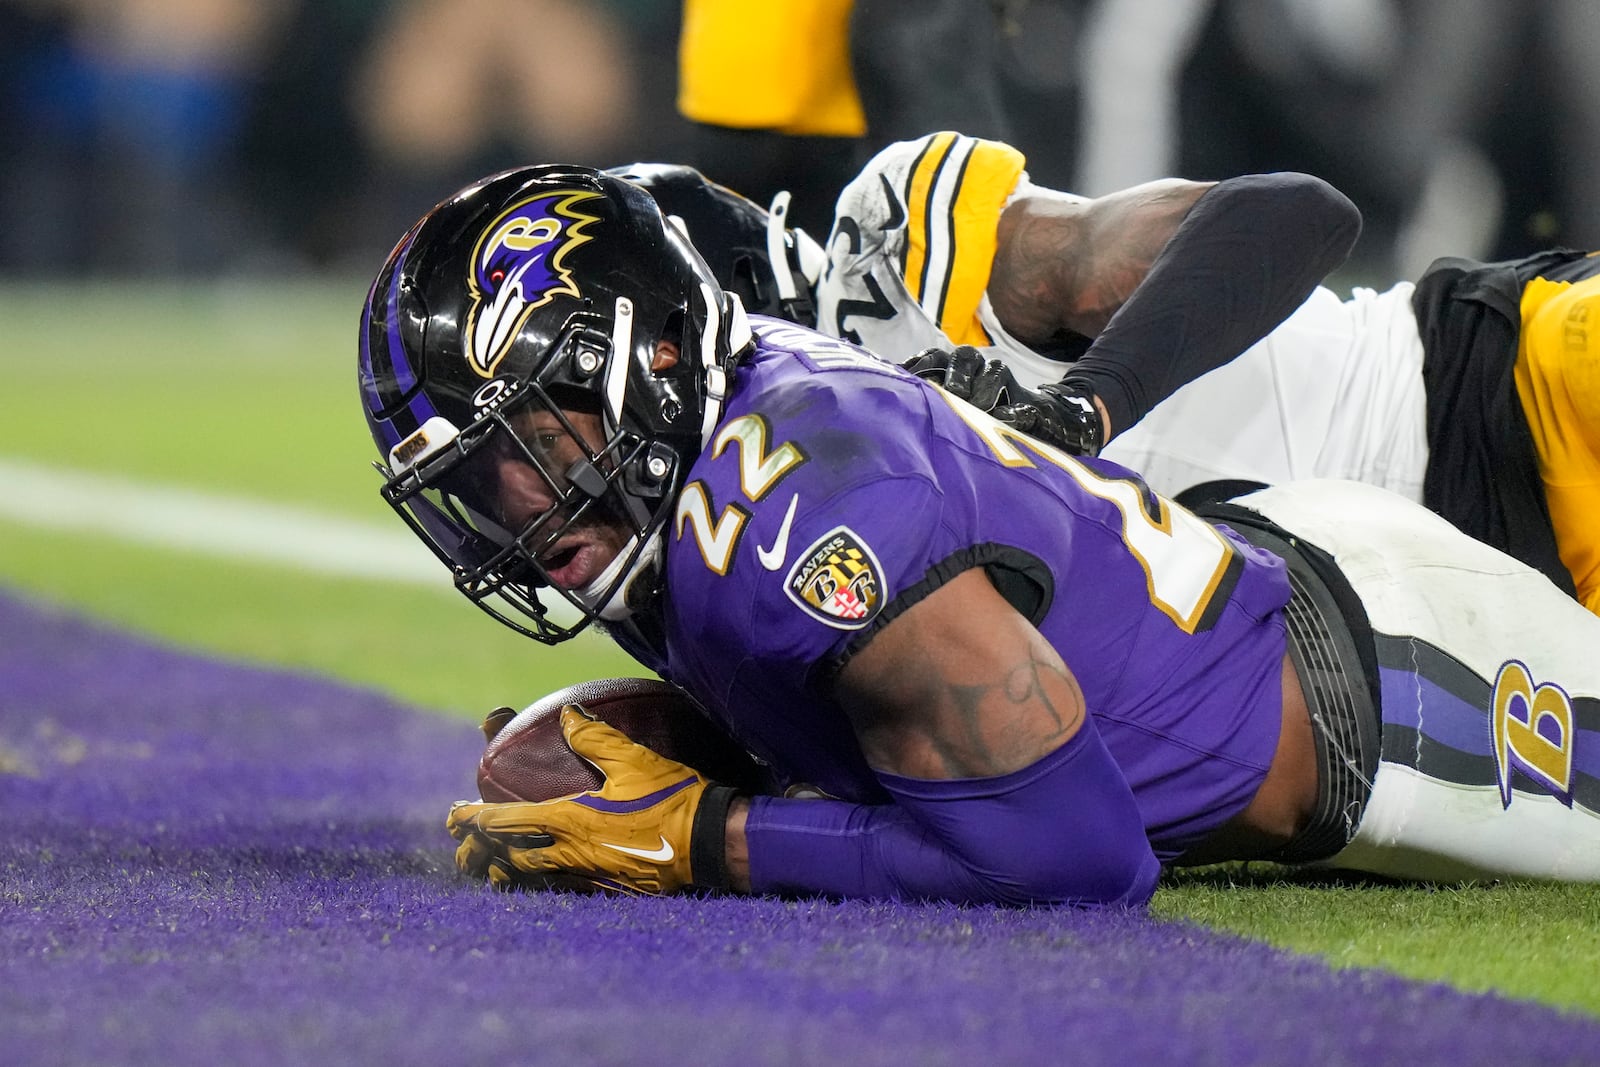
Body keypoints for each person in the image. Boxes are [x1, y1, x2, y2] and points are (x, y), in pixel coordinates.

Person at [359, 165, 1600, 905]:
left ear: (664, 348)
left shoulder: (804, 472)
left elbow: (1075, 861)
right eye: (476, 483)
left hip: (1403, 631)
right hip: (1271, 566)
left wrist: (697, 834)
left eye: (529, 448)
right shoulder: (688, 472)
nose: (516, 513)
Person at [812, 131, 1600, 613]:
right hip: (1477, 614)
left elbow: (1300, 211)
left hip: (1485, 383)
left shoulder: (937, 275)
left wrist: (1081, 406)